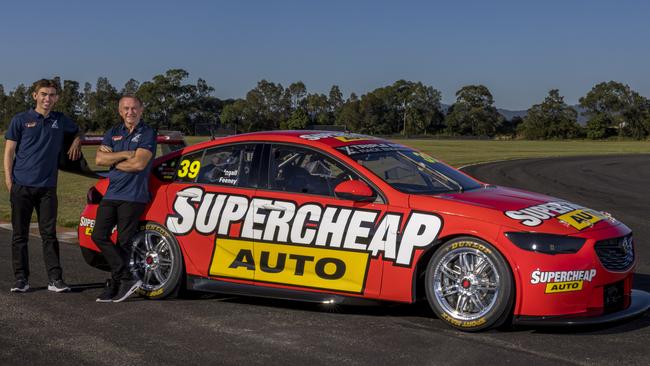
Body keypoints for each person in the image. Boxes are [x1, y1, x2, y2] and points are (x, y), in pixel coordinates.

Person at [3, 79, 82, 293]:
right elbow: (9, 152)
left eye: (52, 95)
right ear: (35, 96)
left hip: (47, 188)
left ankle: (55, 280)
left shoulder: (60, 120)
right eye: (44, 94)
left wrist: (76, 140)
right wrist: (9, 180)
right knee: (20, 235)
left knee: (49, 235)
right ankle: (22, 280)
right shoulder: (21, 120)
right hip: (22, 186)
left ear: (57, 98)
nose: (48, 98)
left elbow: (77, 131)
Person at [91, 95, 156, 303]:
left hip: (134, 195)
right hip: (112, 193)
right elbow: (99, 159)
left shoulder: (147, 132)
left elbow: (138, 165)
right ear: (120, 111)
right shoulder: (113, 132)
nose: (130, 112)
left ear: (141, 110)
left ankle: (115, 283)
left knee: (123, 241)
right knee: (98, 235)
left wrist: (113, 161)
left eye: (134, 108)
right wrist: (128, 153)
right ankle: (126, 277)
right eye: (126, 109)